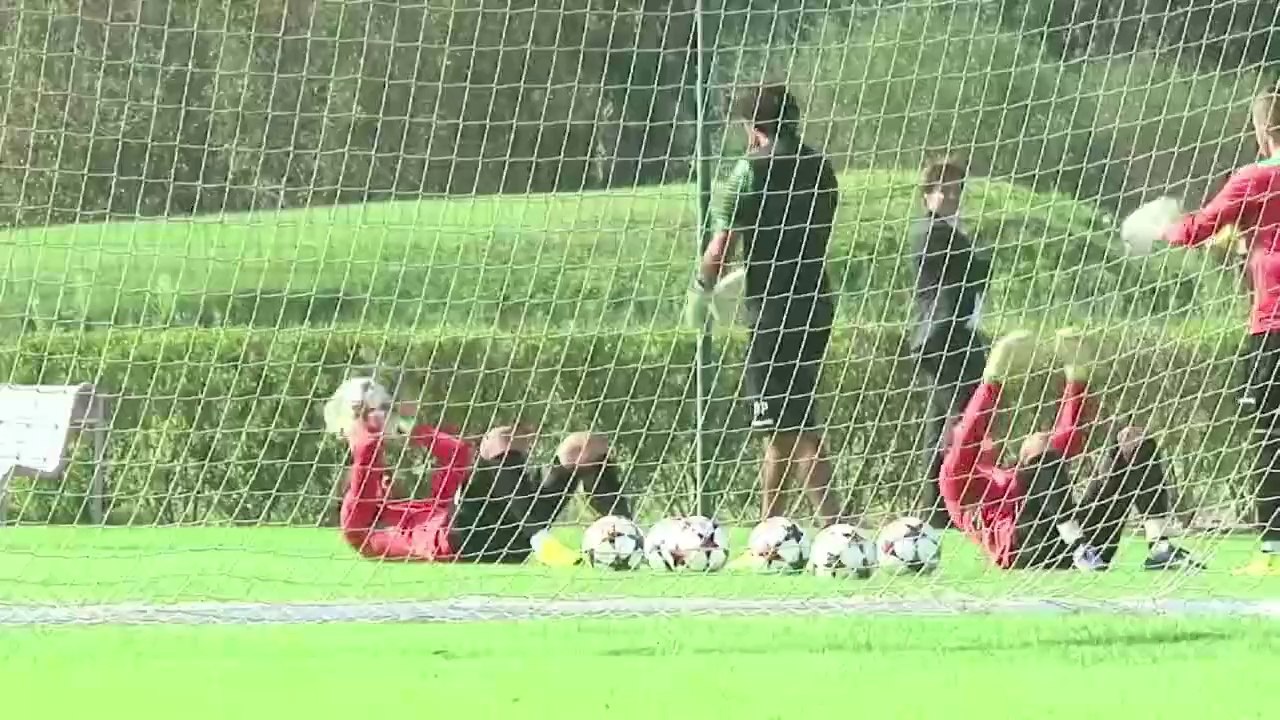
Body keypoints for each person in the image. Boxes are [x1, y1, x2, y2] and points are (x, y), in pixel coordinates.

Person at [687, 83, 849, 534]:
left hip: (772, 310)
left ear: (751, 128)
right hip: (816, 303)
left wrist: (701, 288)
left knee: (795, 426)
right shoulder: (821, 168)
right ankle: (769, 529)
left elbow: (720, 248)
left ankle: (838, 525)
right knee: (780, 425)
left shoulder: (748, 171)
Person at [940, 329, 1201, 571]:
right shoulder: (954, 482)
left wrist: (1076, 372)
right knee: (1037, 444)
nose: (988, 437)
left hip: (1080, 539)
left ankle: (1159, 546)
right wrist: (993, 375)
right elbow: (970, 430)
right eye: (982, 436)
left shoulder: (1017, 471)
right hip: (1028, 549)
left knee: (1131, 440)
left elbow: (1071, 437)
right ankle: (1078, 547)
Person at [1162, 84, 1280, 575]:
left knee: (1270, 436)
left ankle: (1275, 552)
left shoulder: (1254, 178)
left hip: (1273, 325)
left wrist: (1161, 227)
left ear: (1262, 130)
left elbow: (1196, 230)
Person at [326, 378, 628, 565]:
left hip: (504, 538)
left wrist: (407, 425)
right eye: (380, 480)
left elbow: (456, 453)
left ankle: (623, 538)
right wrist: (360, 420)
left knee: (583, 446)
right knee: (496, 439)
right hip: (459, 542)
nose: (387, 478)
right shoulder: (357, 527)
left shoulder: (425, 508)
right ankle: (541, 539)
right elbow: (366, 458)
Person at [909, 157, 992, 529]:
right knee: (960, 424)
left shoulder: (952, 232)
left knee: (947, 424)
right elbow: (960, 281)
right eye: (943, 189)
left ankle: (941, 509)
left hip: (956, 337)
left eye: (957, 188)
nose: (952, 195)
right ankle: (949, 508)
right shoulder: (934, 234)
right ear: (927, 195)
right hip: (946, 340)